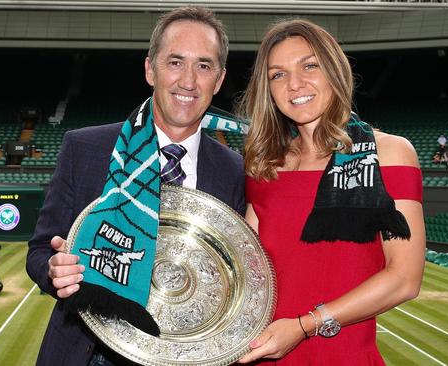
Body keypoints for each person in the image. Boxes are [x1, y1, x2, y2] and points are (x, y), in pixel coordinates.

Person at [26, 7, 245, 366]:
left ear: (218, 80)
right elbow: (39, 250)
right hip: (91, 351)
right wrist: (55, 270)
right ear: (150, 69)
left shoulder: (234, 170)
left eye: (203, 66)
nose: (188, 81)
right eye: (175, 62)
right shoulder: (85, 149)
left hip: (184, 356)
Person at [237, 19, 425, 365]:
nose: (295, 84)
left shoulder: (389, 154)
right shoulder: (265, 166)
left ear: (335, 71)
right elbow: (250, 273)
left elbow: (404, 279)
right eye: (278, 74)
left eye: (310, 65)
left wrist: (304, 326)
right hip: (261, 354)